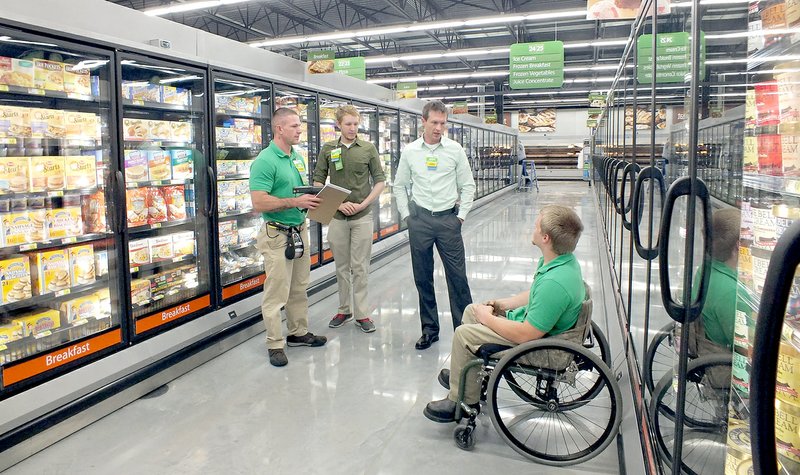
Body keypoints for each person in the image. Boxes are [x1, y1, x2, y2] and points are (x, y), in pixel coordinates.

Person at [424, 205, 585, 422]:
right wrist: (502, 305)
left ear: (545, 238)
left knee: (464, 334)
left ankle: (462, 401)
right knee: (472, 310)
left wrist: (488, 318)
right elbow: (535, 294)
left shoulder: (555, 284)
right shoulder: (562, 261)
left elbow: (525, 335)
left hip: (538, 344)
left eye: (537, 226)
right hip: (537, 328)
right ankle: (466, 376)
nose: (533, 228)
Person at [394, 100, 476, 350]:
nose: (439, 128)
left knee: (458, 278)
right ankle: (429, 330)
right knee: (423, 277)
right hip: (420, 221)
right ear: (424, 121)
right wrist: (407, 216)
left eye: (443, 123)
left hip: (448, 220)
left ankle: (466, 333)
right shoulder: (410, 152)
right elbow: (399, 185)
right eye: (435, 122)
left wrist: (460, 216)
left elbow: (468, 185)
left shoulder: (455, 150)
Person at [250, 107, 327, 367]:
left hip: (299, 230)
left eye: (300, 125)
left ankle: (298, 332)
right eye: (294, 126)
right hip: (276, 235)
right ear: (279, 128)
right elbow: (259, 201)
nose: (300, 130)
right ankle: (274, 343)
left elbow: (296, 190)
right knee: (276, 293)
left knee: (299, 287)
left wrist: (317, 196)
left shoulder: (296, 157)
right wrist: (295, 201)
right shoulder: (265, 160)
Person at [312, 105, 386, 333]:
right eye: (348, 124)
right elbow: (317, 182)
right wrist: (337, 203)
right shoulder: (327, 149)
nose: (353, 128)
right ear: (338, 125)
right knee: (341, 267)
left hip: (362, 217)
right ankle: (344, 309)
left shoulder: (368, 149)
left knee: (360, 266)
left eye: (356, 124)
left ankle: (362, 314)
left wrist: (364, 204)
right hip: (337, 217)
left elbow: (380, 181)